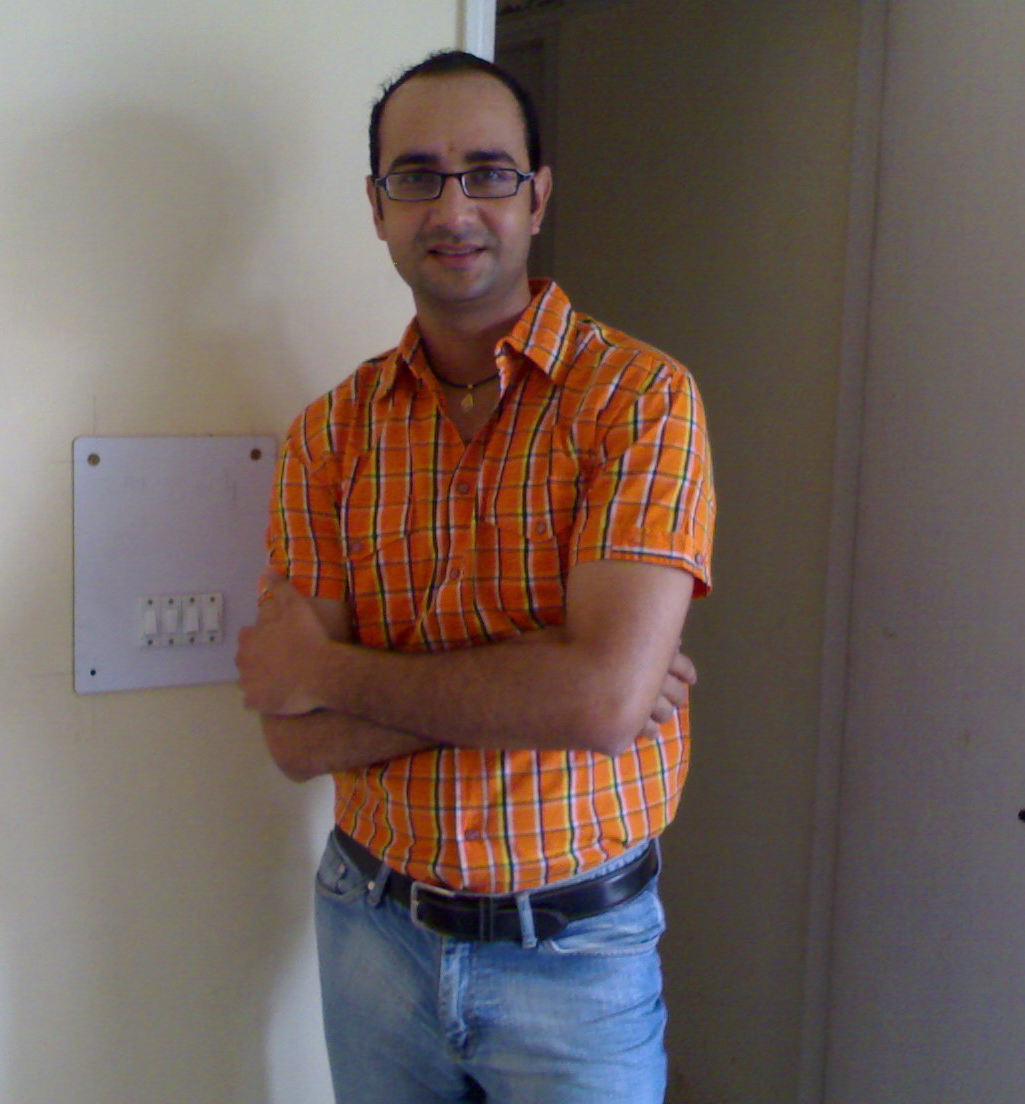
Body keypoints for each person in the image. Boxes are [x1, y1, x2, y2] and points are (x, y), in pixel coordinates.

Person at [236, 48, 714, 1104]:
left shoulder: (639, 401)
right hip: (370, 932)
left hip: (575, 956)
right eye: (416, 176)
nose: (453, 208)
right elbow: (294, 740)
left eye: (488, 172)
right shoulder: (328, 436)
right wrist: (547, 684)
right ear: (377, 207)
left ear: (536, 196)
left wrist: (330, 671)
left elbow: (599, 704)